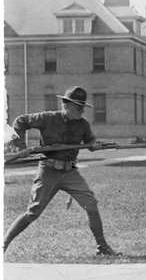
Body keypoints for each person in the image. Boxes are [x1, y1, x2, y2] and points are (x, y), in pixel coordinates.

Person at [4, 86, 120, 256]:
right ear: (66, 105)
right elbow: (20, 121)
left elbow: (90, 143)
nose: (81, 110)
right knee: (33, 212)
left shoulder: (83, 124)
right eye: (77, 106)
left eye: (82, 106)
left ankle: (102, 247)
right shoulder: (48, 118)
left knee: (91, 205)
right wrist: (22, 146)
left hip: (70, 172)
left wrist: (97, 145)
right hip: (48, 170)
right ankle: (3, 245)